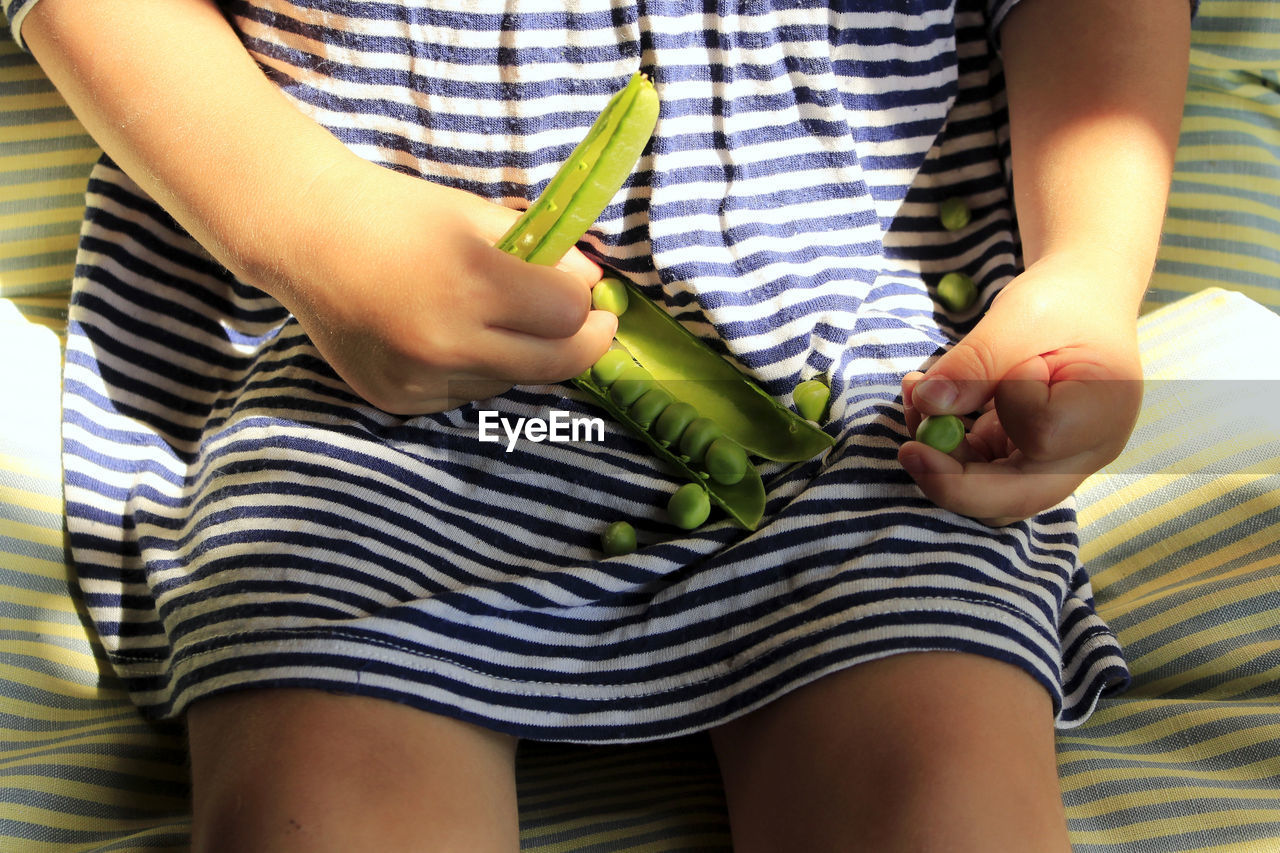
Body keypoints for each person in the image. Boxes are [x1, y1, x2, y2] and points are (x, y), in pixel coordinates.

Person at [15, 0, 1189, 849]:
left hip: (847, 383)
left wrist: (1087, 269)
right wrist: (312, 221)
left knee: (941, 807)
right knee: (324, 810)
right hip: (360, 374)